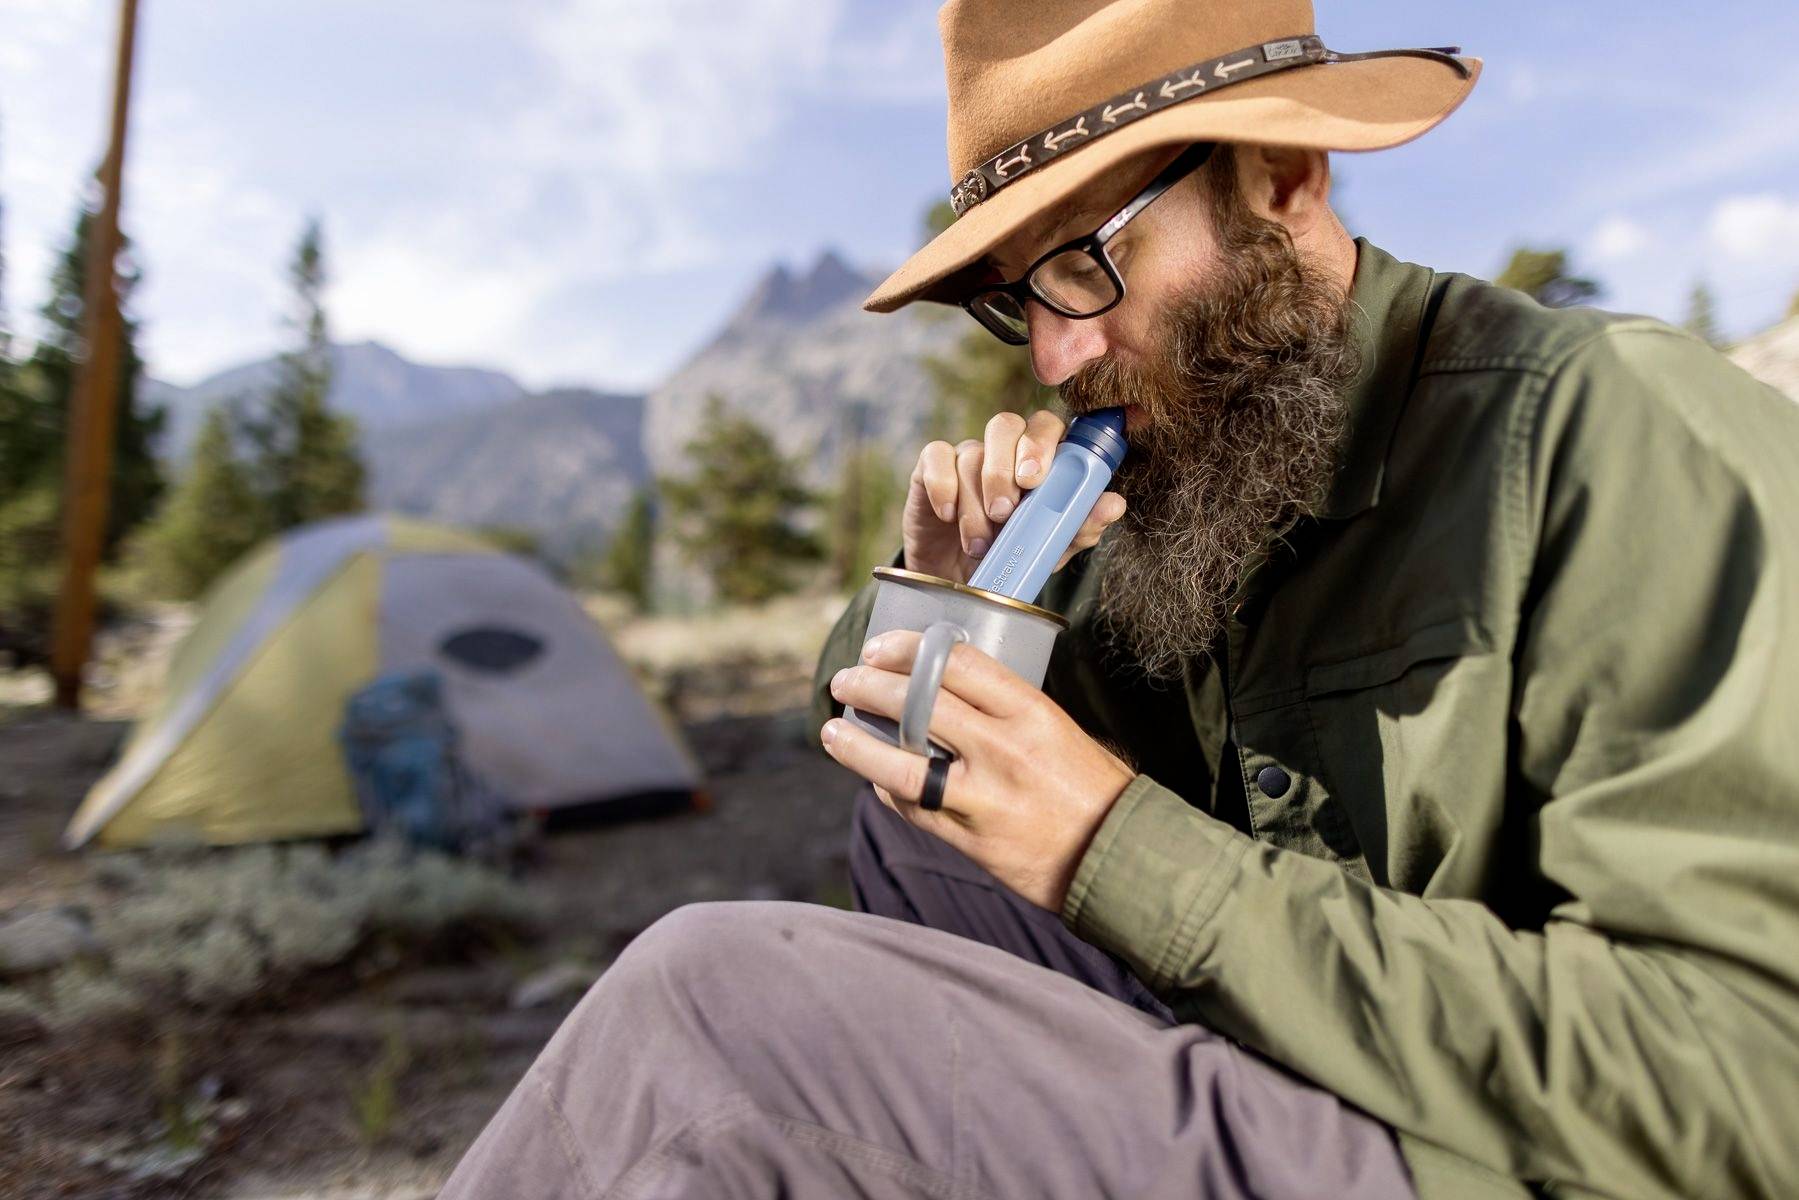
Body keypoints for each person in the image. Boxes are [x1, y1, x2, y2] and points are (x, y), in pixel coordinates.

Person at [441, 1, 1799, 1197]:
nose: (1055, 353)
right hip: (1311, 1063)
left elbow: (1750, 1084)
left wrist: (1116, 847)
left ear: (1281, 175)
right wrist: (938, 605)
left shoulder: (1612, 434)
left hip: (1497, 1156)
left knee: (715, 1021)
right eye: (1014, 298)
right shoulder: (1218, 461)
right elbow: (884, 738)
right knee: (920, 833)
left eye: (1090, 258)